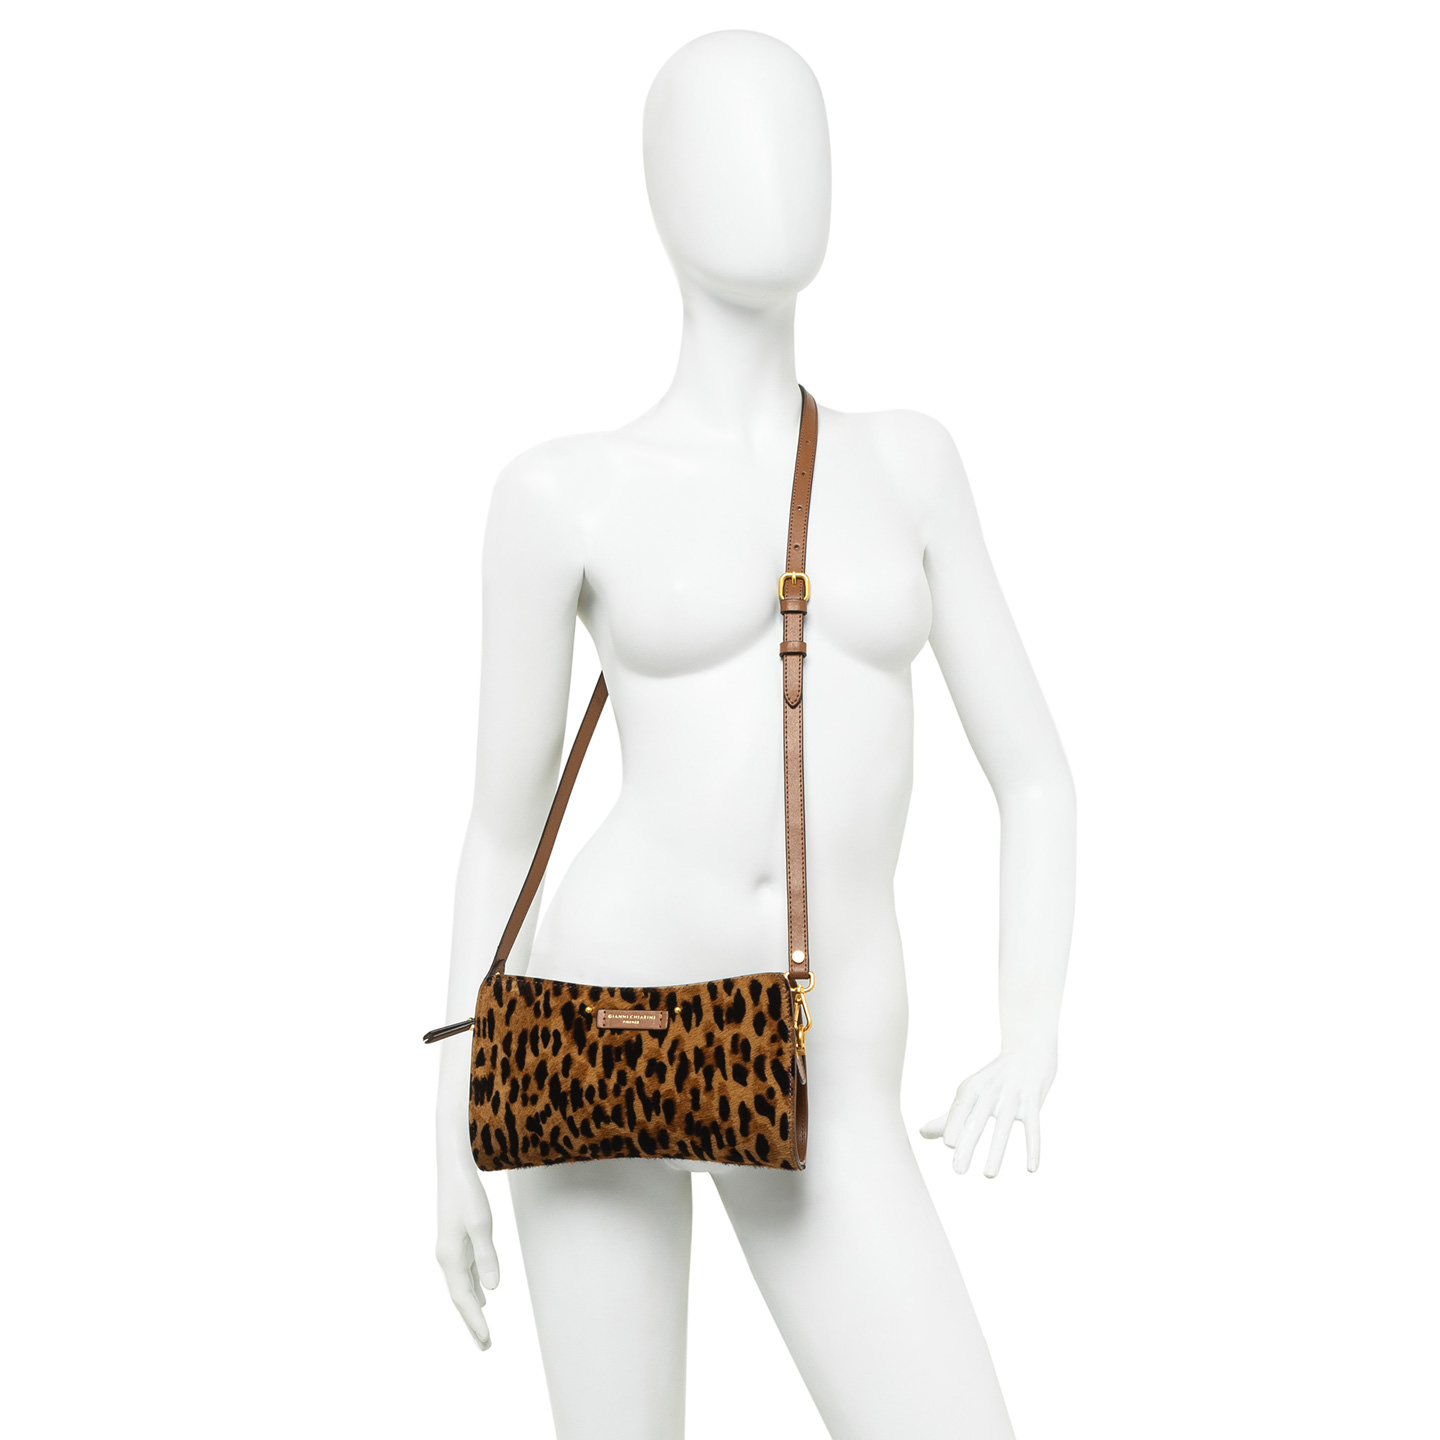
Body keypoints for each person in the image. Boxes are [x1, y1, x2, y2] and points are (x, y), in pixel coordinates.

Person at [431, 28, 1075, 1440]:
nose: (773, 172)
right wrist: (446, 1121)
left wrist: (1028, 1027)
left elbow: (1034, 772)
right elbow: (498, 826)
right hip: (597, 1018)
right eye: (726, 138)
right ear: (658, 189)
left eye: (801, 132)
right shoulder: (559, 493)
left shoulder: (908, 464)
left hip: (822, 1060)